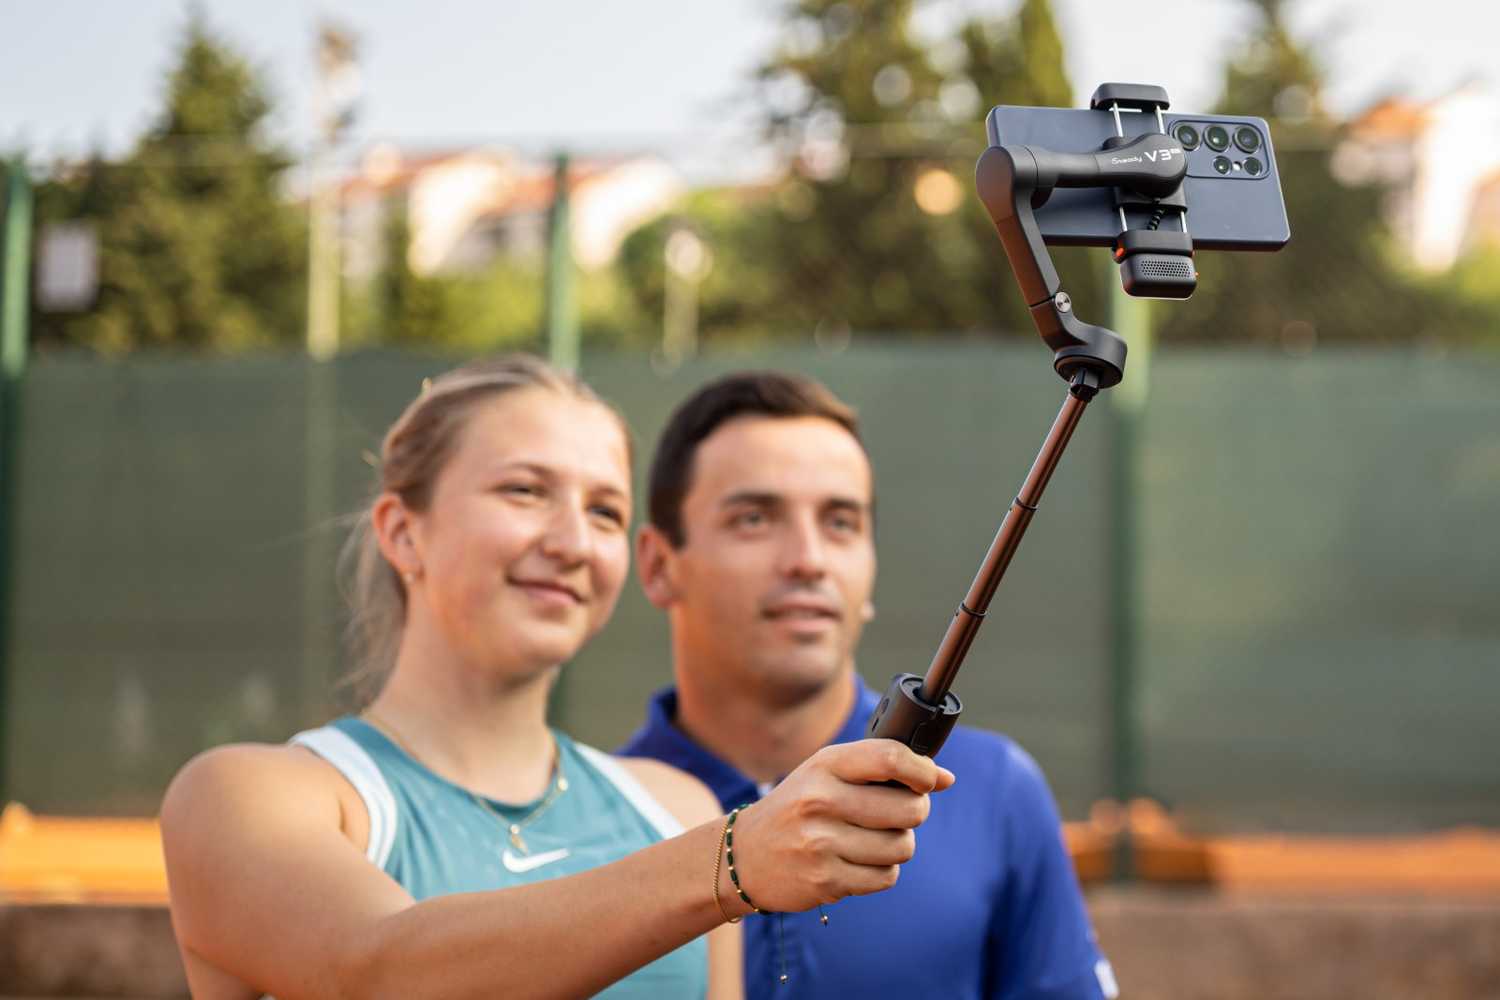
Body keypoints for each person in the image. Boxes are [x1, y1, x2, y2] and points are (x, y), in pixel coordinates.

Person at [160, 355, 954, 1000]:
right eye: (525, 491)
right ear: (404, 533)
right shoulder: (250, 798)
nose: (574, 542)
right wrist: (734, 857)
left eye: (605, 511)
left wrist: (722, 851)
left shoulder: (676, 810)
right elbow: (379, 972)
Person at [622, 371, 1118, 999]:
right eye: (754, 518)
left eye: (840, 523)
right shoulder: (593, 815)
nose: (808, 559)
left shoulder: (995, 791)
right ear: (659, 565)